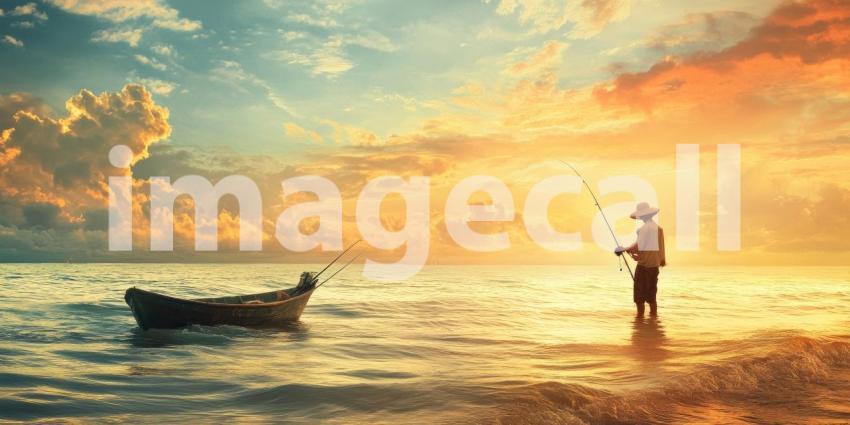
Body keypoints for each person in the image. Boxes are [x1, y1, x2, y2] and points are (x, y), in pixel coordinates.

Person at [615, 202, 666, 318]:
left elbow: (638, 247)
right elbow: (662, 248)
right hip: (654, 267)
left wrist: (624, 250)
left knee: (639, 298)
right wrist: (661, 260)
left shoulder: (644, 229)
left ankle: (639, 322)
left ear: (642, 215)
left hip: (644, 267)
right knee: (652, 296)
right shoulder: (659, 229)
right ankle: (654, 322)